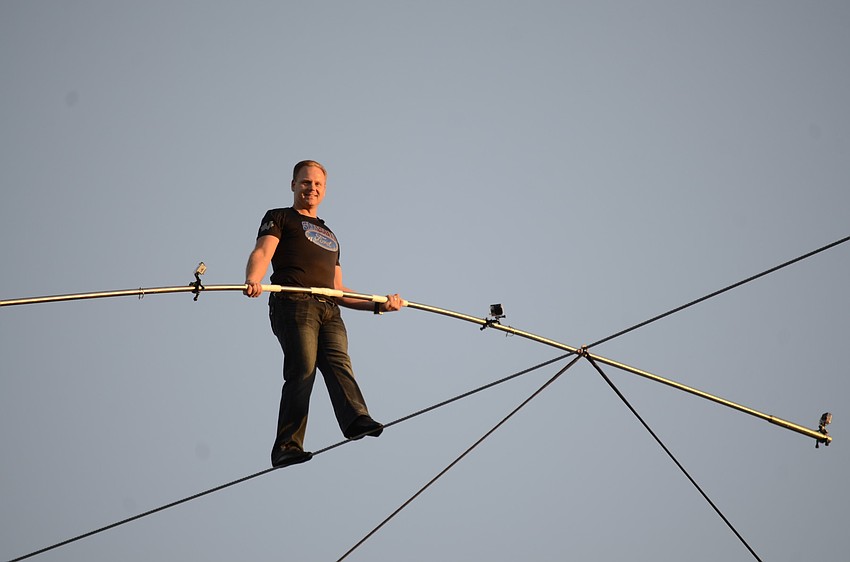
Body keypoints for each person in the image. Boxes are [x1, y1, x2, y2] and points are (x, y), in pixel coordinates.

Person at [244, 160, 403, 468]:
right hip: (294, 302)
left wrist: (379, 305)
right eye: (305, 183)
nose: (311, 188)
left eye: (317, 184)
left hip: (329, 310)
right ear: (293, 185)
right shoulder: (279, 217)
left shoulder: (329, 234)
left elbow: (340, 290)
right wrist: (255, 277)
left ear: (324, 190)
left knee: (339, 364)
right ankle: (287, 445)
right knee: (303, 366)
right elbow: (263, 252)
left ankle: (355, 420)